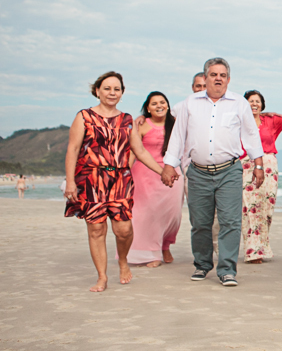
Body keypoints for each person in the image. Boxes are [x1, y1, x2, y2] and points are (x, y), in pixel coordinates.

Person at [161, 58, 265, 287]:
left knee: (230, 222)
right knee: (200, 222)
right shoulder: (191, 103)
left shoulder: (239, 103)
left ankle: (227, 269)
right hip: (198, 172)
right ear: (205, 78)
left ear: (228, 79)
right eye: (213, 74)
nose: (218, 78)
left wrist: (259, 165)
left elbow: (251, 135)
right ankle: (202, 264)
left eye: (222, 75)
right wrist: (169, 164)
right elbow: (177, 136)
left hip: (229, 170)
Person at [64, 71, 165, 292]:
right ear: (97, 91)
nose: (112, 92)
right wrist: (70, 181)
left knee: (124, 230)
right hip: (90, 179)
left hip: (120, 178)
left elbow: (139, 151)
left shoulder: (127, 120)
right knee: (96, 229)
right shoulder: (84, 117)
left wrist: (162, 171)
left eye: (116, 89)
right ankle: (102, 276)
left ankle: (122, 260)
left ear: (122, 93)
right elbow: (72, 149)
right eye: (107, 88)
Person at [240, 83, 282, 264]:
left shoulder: (271, 121)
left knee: (266, 208)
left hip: (269, 166)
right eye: (250, 101)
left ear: (262, 105)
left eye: (257, 101)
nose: (254, 104)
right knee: (249, 208)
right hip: (246, 167)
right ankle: (252, 251)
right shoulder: (238, 122)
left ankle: (262, 248)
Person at [127, 91, 184, 267]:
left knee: (172, 215)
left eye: (162, 102)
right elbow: (133, 151)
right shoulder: (142, 125)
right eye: (154, 103)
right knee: (147, 215)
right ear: (148, 108)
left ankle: (165, 245)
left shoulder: (176, 124)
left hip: (172, 174)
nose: (159, 105)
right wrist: (125, 174)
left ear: (168, 105)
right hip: (144, 176)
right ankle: (153, 253)